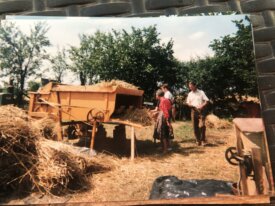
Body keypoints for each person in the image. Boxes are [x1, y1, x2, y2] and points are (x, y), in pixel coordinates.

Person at [186, 82, 209, 146]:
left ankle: (203, 140)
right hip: (193, 110)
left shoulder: (201, 92)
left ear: (195, 85)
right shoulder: (190, 94)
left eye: (191, 87)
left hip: (201, 111)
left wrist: (202, 106)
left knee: (202, 126)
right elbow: (187, 102)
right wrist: (189, 105)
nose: (190, 88)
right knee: (194, 126)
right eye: (189, 87)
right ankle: (198, 140)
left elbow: (206, 101)